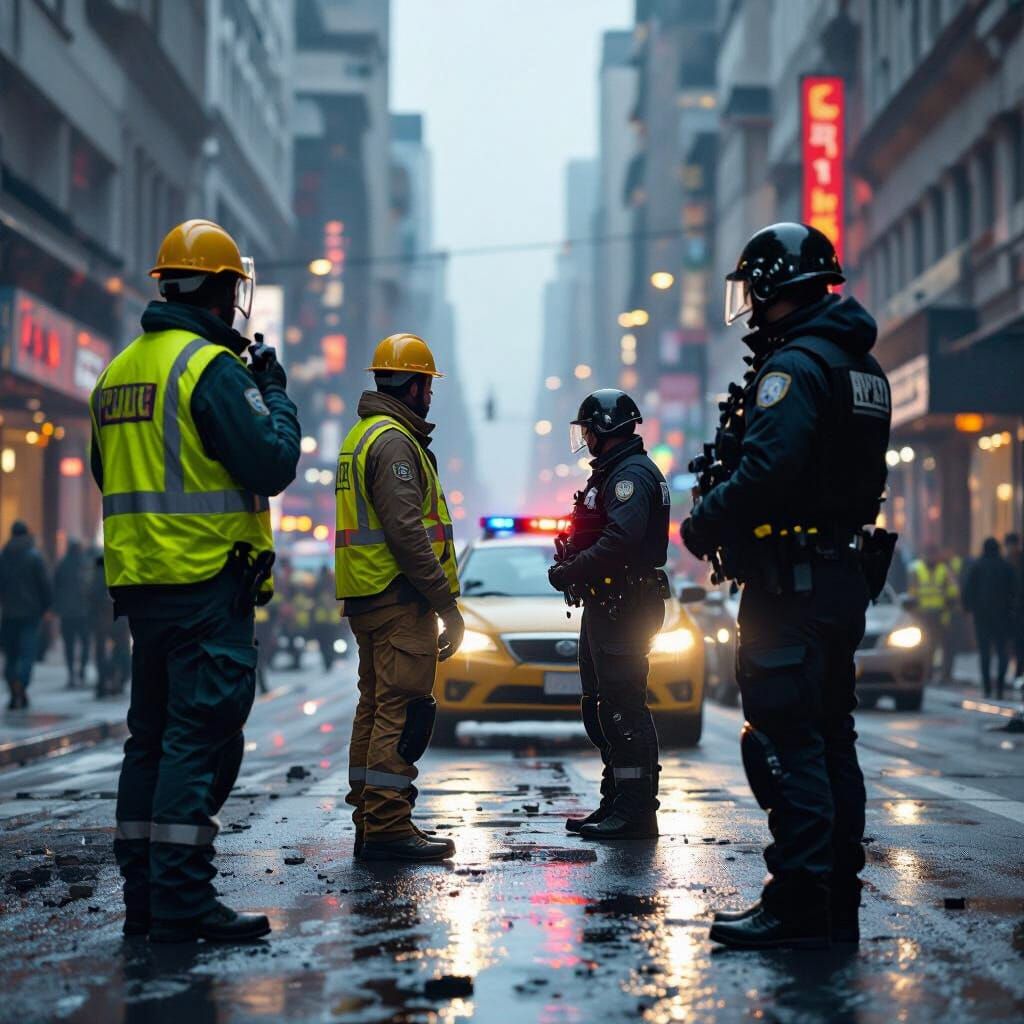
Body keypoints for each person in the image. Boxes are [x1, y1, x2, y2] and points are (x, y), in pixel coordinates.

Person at [682, 222, 892, 949]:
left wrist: (703, 522)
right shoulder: (859, 366)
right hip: (838, 579)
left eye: (756, 290)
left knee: (787, 740)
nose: (753, 307)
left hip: (790, 588)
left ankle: (799, 898)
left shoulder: (793, 370)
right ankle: (836, 892)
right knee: (833, 735)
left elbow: (768, 470)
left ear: (775, 287)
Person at [89, 219, 300, 942]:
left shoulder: (118, 372)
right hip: (207, 583)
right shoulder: (209, 370)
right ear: (220, 291)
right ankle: (181, 901)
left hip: (142, 587)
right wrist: (274, 394)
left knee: (147, 739)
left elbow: (104, 472)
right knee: (197, 739)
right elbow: (270, 462)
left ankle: (144, 898)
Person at [335, 333, 463, 862]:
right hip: (397, 597)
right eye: (427, 385)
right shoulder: (393, 443)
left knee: (374, 708)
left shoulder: (361, 436)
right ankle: (388, 826)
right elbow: (408, 532)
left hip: (368, 596)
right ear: (412, 385)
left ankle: (372, 817)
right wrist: (446, 605)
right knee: (401, 711)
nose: (430, 396)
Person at [548, 389, 670, 841]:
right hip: (607, 603)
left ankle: (638, 811)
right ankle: (616, 800)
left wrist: (570, 570)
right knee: (601, 705)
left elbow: (621, 539)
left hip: (625, 605)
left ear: (603, 428)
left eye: (587, 430)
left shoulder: (629, 477)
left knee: (623, 708)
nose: (584, 438)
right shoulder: (615, 473)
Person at [0, 521, 52, 710]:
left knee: (11, 655)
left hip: (8, 614)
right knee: (27, 654)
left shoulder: (3, 556)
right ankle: (22, 684)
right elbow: (44, 584)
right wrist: (47, 607)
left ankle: (13, 685)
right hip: (31, 614)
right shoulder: (34, 556)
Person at [962, 538, 1016, 700]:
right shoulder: (1006, 567)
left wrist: (968, 609)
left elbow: (967, 590)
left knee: (984, 652)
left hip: (982, 616)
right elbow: (1015, 590)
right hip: (1003, 616)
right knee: (1002, 651)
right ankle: (999, 687)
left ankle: (987, 688)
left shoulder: (977, 566)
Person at [909, 545, 958, 683]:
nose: (932, 558)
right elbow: (912, 592)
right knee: (925, 646)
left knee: (946, 645)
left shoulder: (944, 570)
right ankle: (927, 673)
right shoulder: (916, 570)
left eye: (934, 555)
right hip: (922, 616)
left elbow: (953, 589)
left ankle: (945, 675)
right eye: (929, 554)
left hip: (941, 615)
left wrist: (950, 602)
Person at [54, 540, 92, 688]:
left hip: (67, 613)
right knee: (85, 643)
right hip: (84, 613)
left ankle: (71, 674)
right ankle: (82, 670)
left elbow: (55, 588)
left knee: (69, 645)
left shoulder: (62, 565)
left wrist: (56, 607)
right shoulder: (86, 564)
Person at [1003, 533, 1024, 682]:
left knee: (1019, 642)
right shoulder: (1004, 563)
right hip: (1010, 610)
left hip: (1019, 609)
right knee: (1013, 643)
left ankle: (1018, 671)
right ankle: (1016, 671)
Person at [313, 566, 341, 672]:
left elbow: (313, 602)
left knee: (324, 644)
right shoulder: (333, 584)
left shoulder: (318, 585)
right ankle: (329, 660)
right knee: (329, 642)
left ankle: (327, 661)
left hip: (321, 620)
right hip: (331, 620)